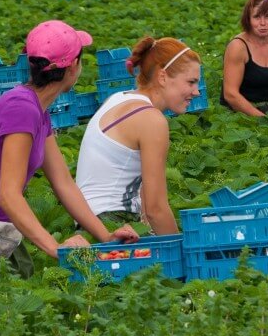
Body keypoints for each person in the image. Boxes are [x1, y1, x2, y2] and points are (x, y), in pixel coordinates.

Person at [0, 21, 139, 284]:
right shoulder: (22, 109)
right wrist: (54, 247)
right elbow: (8, 195)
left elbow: (63, 183)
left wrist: (105, 236)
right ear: (73, 66)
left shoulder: (38, 110)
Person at [75, 37, 202, 234]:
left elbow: (145, 199)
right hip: (112, 221)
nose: (196, 92)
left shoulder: (119, 99)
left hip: (89, 223)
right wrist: (182, 253)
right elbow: (156, 209)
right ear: (162, 77)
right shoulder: (151, 120)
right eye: (191, 82)